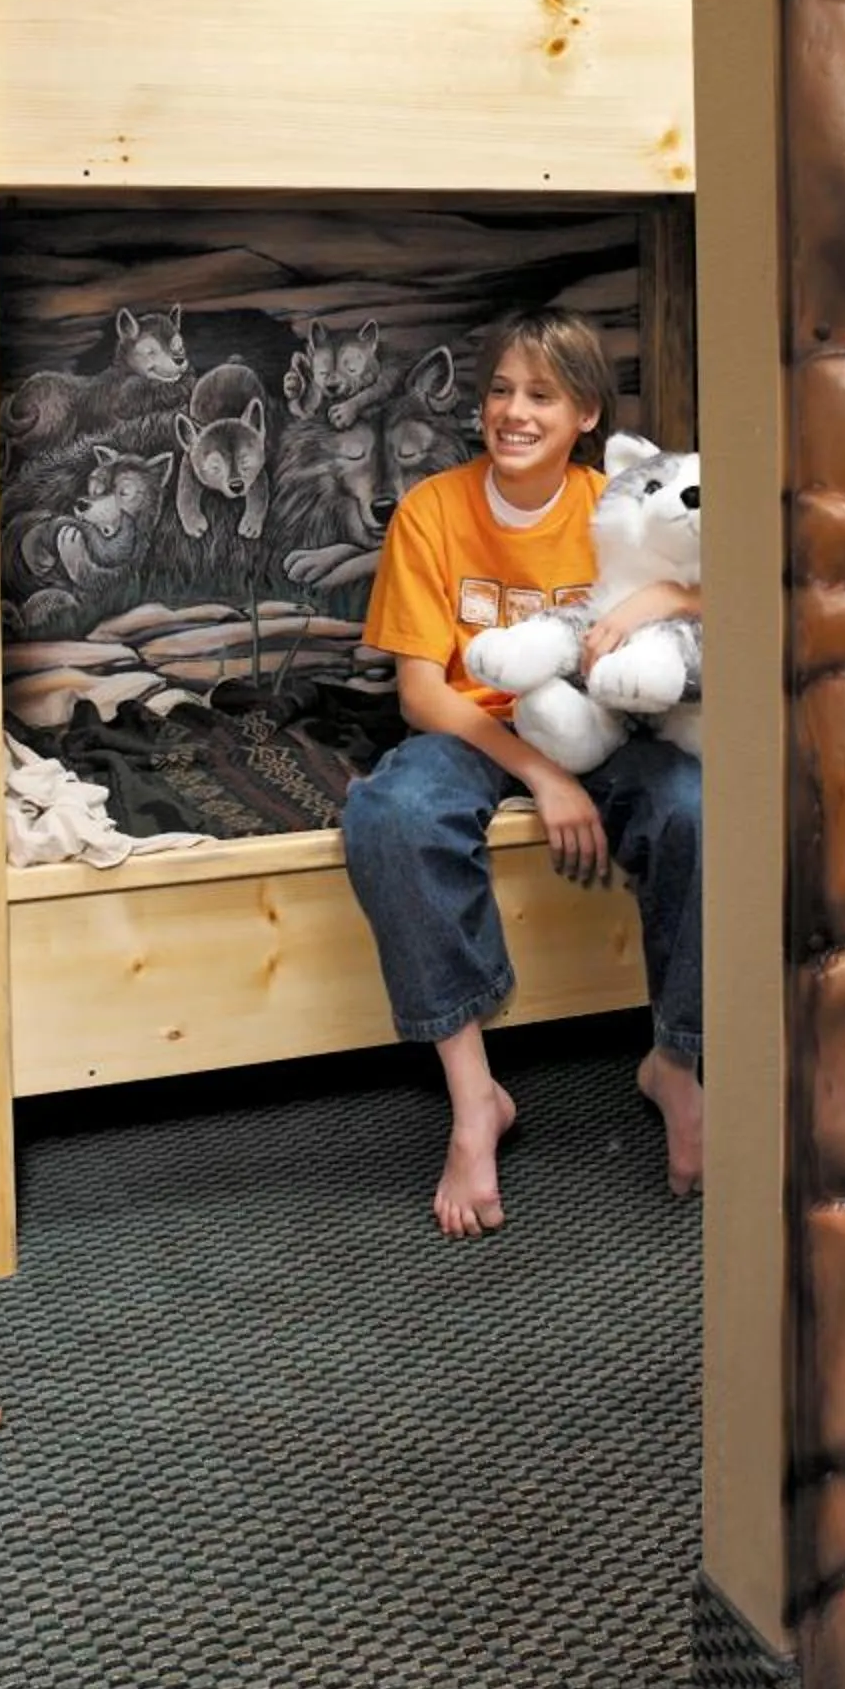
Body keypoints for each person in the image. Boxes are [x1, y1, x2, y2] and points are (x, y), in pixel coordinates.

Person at [341, 307, 702, 1237]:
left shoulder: (614, 504)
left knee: (695, 806)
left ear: (586, 413)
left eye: (541, 394)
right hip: (475, 729)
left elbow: (722, 583)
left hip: (608, 718)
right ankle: (475, 1100)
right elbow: (422, 692)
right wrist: (543, 777)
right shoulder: (432, 511)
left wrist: (663, 596)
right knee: (391, 815)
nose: (514, 411)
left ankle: (678, 1061)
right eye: (501, 390)